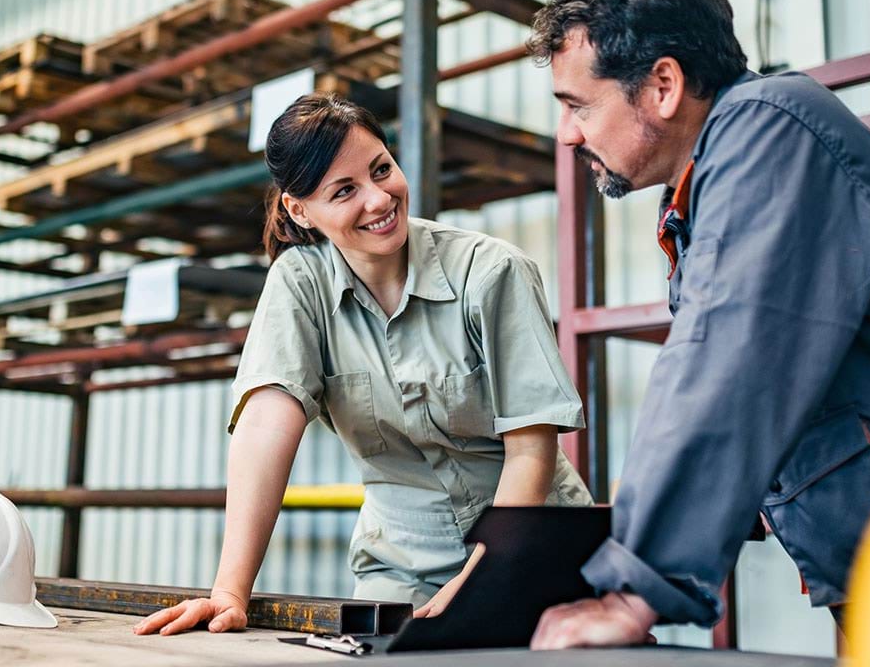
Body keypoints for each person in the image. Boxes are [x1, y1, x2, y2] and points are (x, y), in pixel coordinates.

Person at [524, 0, 870, 649]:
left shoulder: (770, 126)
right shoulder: (709, 183)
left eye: (577, 104)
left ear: (663, 84)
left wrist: (635, 588)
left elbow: (729, 356)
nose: (567, 133)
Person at [134, 93, 594, 638]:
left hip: (532, 545)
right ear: (298, 209)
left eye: (382, 170)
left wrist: (481, 578)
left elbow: (531, 446)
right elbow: (265, 427)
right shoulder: (299, 284)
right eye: (345, 190)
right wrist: (230, 593)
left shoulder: (490, 272)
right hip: (401, 565)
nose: (379, 199)